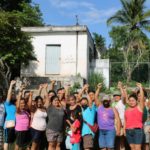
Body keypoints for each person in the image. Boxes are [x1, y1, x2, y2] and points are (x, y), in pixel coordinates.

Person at [124, 83, 144, 150]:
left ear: (136, 101)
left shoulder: (139, 107)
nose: (131, 102)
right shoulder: (127, 109)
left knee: (137, 148)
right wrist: (124, 130)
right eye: (130, 101)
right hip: (128, 131)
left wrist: (140, 88)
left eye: (133, 100)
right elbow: (125, 120)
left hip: (137, 131)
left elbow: (141, 99)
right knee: (132, 148)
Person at [4, 80, 16, 150]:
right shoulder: (7, 103)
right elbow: (9, 94)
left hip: (16, 125)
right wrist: (11, 85)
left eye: (13, 94)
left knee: (13, 142)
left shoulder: (15, 105)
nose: (12, 95)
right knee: (7, 142)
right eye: (12, 94)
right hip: (9, 125)